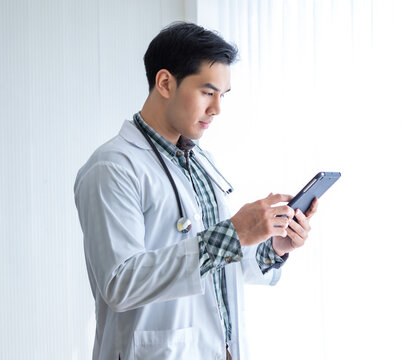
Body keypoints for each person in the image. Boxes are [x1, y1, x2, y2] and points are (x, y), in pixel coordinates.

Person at [74, 22, 318, 360]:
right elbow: (120, 283)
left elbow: (215, 263)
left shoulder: (202, 162)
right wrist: (233, 233)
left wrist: (272, 248)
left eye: (223, 95)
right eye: (207, 92)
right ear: (165, 83)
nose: (217, 108)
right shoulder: (112, 167)